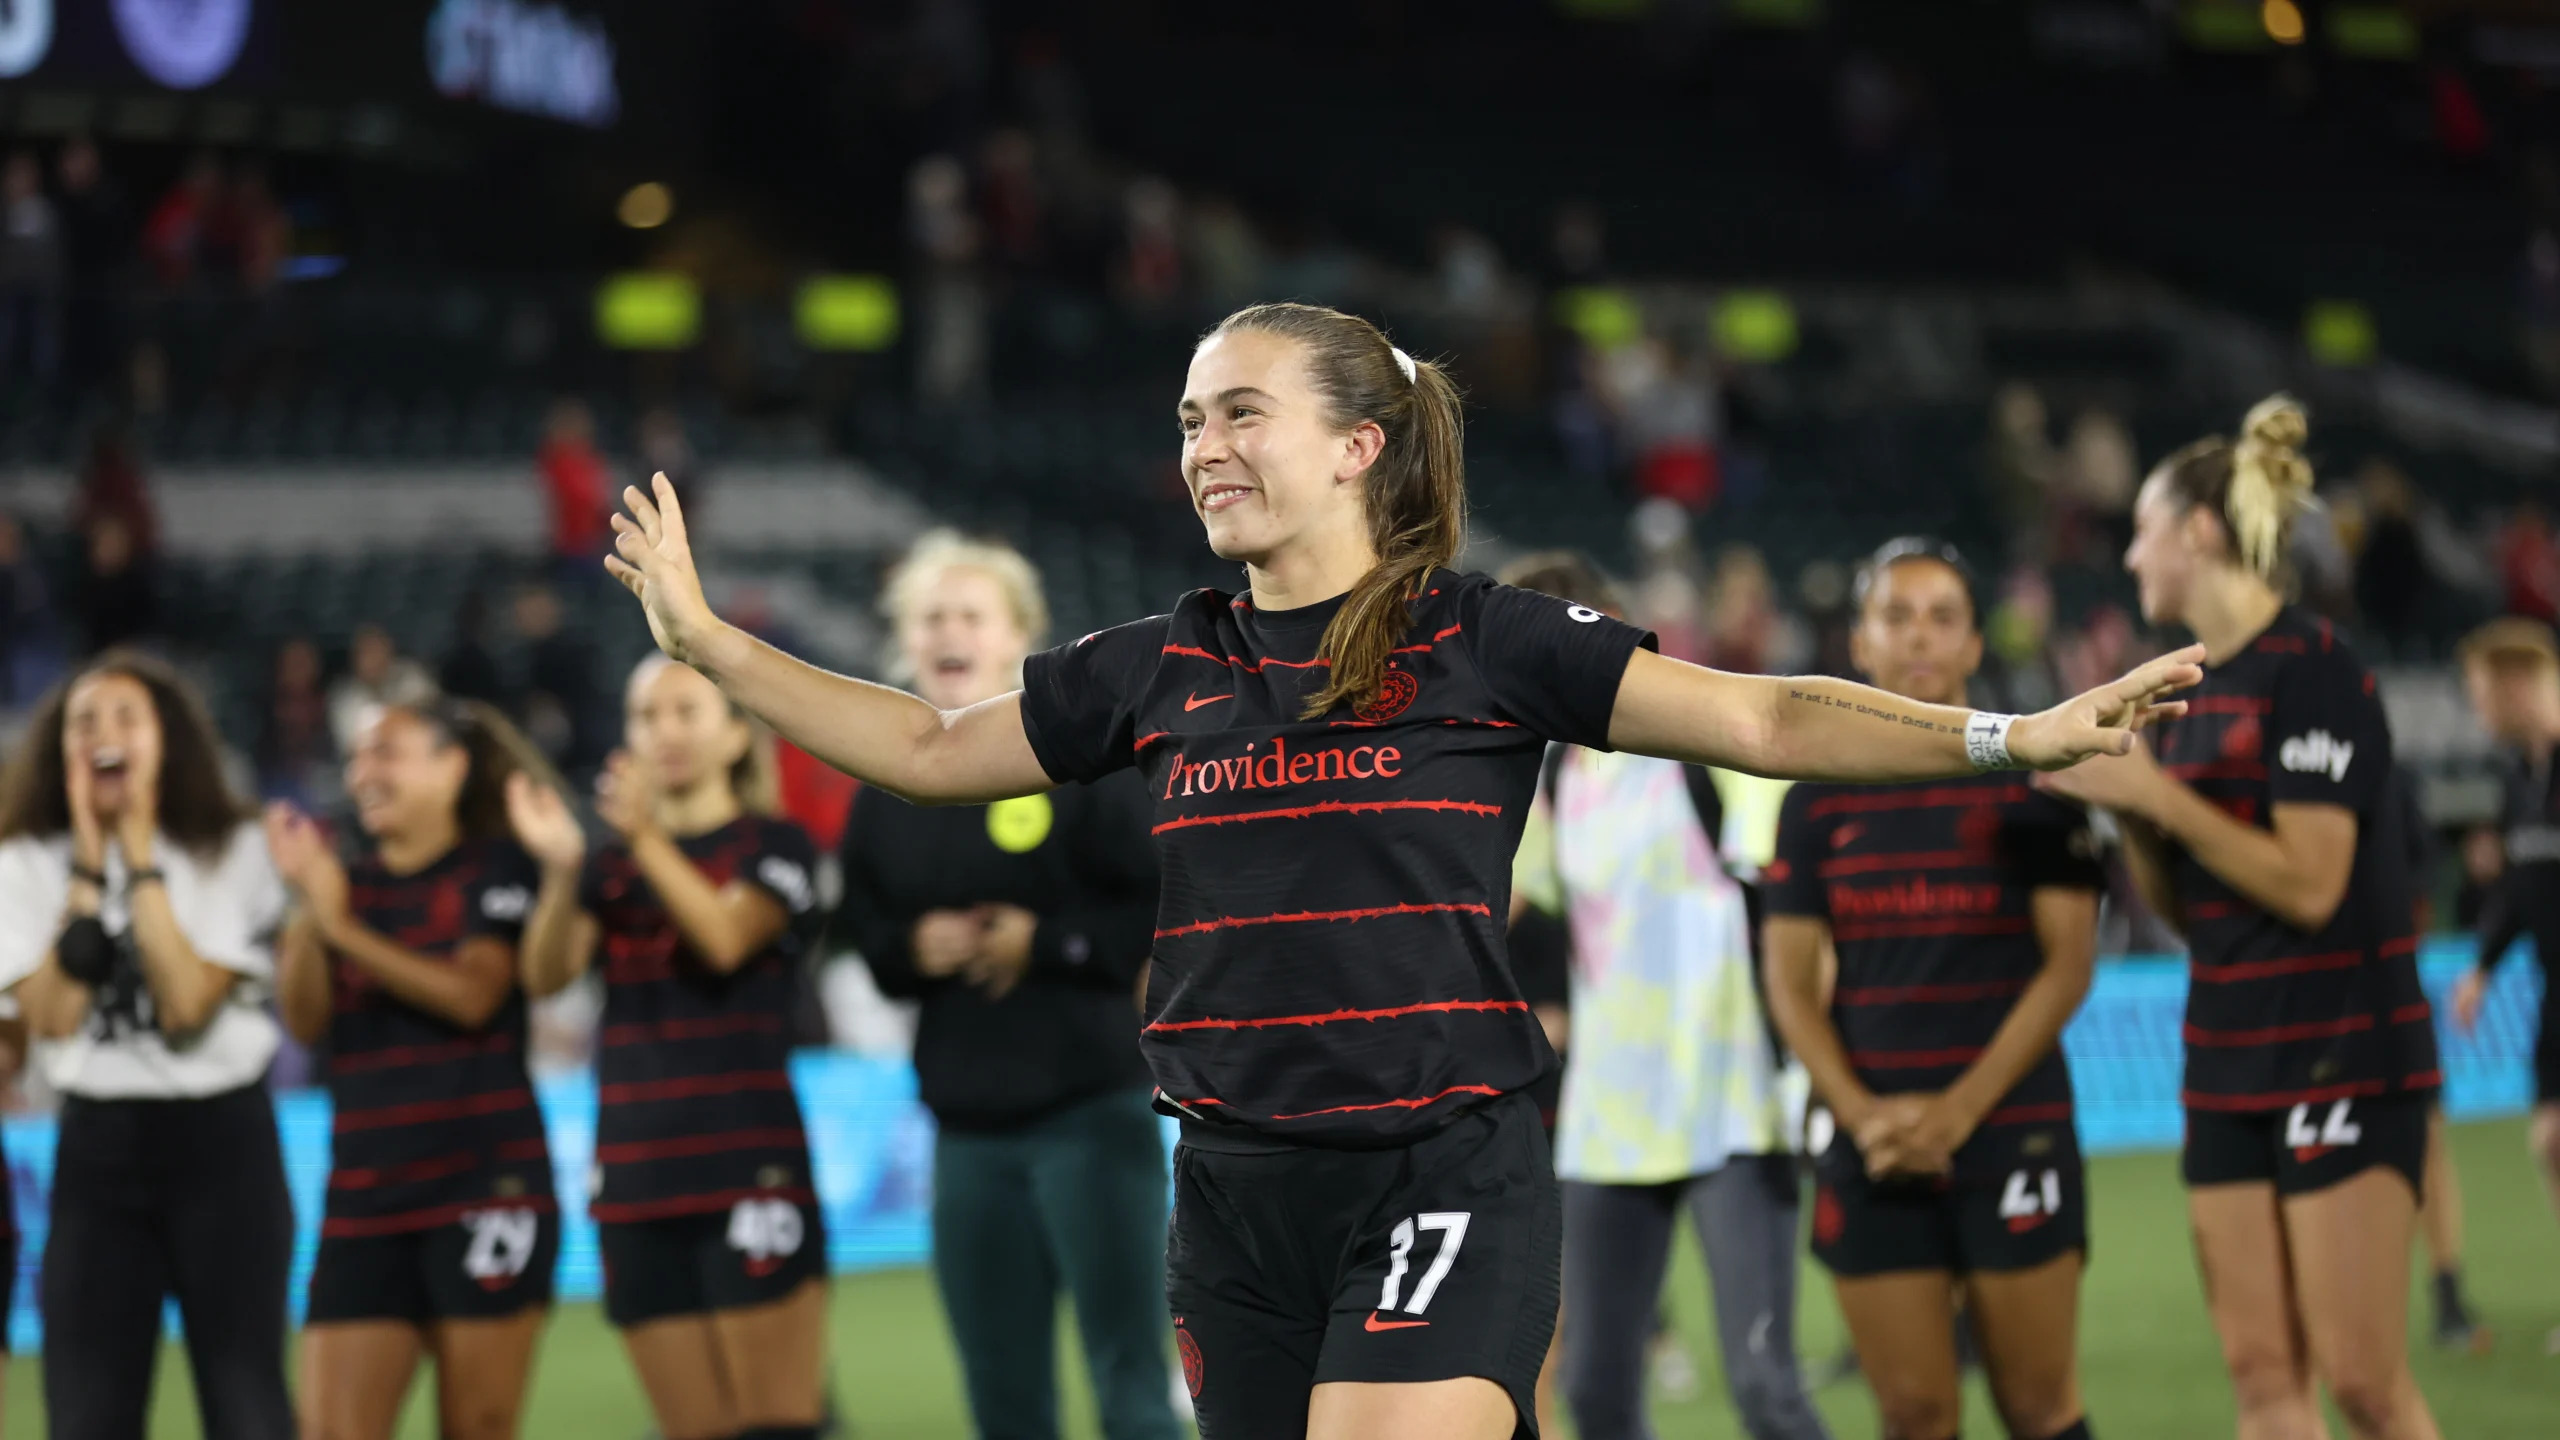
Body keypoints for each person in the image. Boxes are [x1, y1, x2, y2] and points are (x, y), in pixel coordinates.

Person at [595, 300, 2200, 1440]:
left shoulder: (1485, 638)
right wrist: (713, 643)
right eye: (1186, 422)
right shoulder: (1157, 662)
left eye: (1240, 413)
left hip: (1442, 1162)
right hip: (1229, 1193)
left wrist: (2013, 736)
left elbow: (1766, 712)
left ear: (1360, 444)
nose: (1201, 447)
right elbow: (938, 745)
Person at [2038, 397, 2442, 1440]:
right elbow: (2186, 909)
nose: (2129, 557)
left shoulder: (2314, 670)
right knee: (2261, 1380)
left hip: (2342, 1055)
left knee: (2360, 1382)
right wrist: (2128, 812)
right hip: (2224, 1060)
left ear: (2200, 533)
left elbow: (2309, 885)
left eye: (2142, 528)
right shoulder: (2190, 689)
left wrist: (2161, 801)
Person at [833, 532, 1180, 1440]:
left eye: (970, 616)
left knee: (1131, 1384)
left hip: (1093, 1113)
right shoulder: (882, 792)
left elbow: (1153, 909)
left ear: (1019, 636)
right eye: (932, 617)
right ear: (906, 641)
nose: (949, 634)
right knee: (1001, 1396)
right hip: (965, 1131)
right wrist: (916, 947)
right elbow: (867, 943)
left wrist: (1047, 944)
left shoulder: (1085, 763)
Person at [1761, 538, 2101, 1440]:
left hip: (2009, 1135)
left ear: (1975, 645)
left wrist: (1957, 1113)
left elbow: (2069, 966)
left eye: (1943, 617)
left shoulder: (2039, 782)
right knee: (1914, 1415)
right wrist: (1864, 1118)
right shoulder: (1814, 799)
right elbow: (1789, 983)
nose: (1920, 638)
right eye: (1896, 617)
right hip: (1871, 1146)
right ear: (1859, 645)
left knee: (2038, 1409)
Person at [1503, 551, 1827, 1440]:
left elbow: (1797, 903)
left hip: (1729, 1107)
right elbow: (1486, 911)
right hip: (1611, 1121)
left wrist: (1811, 1062)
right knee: (1596, 1396)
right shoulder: (1562, 781)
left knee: (1766, 1389)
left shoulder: (1702, 749)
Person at [508, 656, 829, 1440]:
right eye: (647, 718)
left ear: (735, 736)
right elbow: (545, 976)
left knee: (777, 1429)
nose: (665, 733)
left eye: (686, 712)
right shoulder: (609, 863)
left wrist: (646, 837)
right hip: (637, 1175)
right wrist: (560, 874)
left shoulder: (777, 845)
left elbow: (724, 940)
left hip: (749, 1167)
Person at [0, 650, 296, 1437]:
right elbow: (53, 1018)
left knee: (249, 1410)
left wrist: (138, 851)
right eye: (83, 722)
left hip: (225, 1146)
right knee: (87, 1417)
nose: (104, 734)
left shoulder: (232, 846)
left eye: (126, 717)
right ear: (59, 751)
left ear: (167, 740)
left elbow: (189, 1004)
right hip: (97, 1149)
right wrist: (90, 869)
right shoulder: (21, 862)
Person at [267, 699, 560, 1440]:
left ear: (450, 767)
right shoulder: (345, 886)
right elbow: (304, 1021)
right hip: (366, 1198)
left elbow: (473, 994)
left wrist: (341, 929)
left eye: (387, 753)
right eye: (358, 757)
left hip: (485, 1188)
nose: (364, 772)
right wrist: (310, 909)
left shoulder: (496, 866)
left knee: (478, 1427)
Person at [2448, 615, 2560, 1357]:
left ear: (2518, 685)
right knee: (2552, 1142)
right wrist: (2484, 967)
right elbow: (2525, 889)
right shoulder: (2523, 776)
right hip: (2555, 987)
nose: (2478, 708)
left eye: (2483, 692)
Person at [330, 624, 438, 755]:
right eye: (366, 652)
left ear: (389, 651)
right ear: (354, 658)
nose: (372, 658)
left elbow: (431, 720)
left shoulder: (411, 675)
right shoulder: (345, 695)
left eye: (377, 650)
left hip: (416, 755)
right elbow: (354, 744)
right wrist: (402, 716)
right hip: (369, 762)